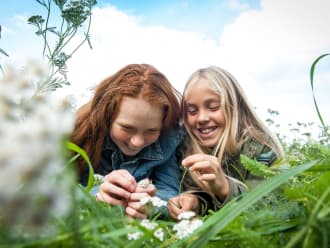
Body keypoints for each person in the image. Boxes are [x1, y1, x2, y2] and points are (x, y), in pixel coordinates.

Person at [167, 66, 284, 219]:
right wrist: (195, 202)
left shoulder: (261, 149)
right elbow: (203, 201)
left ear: (234, 107)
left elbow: (272, 207)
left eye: (213, 107)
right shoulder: (185, 150)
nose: (202, 118)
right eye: (192, 111)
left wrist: (225, 187)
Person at [70, 64, 185, 219]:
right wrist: (96, 196)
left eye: (151, 130)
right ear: (107, 115)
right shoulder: (78, 131)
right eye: (127, 128)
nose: (137, 142)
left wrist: (151, 205)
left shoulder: (168, 141)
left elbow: (170, 194)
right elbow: (53, 186)